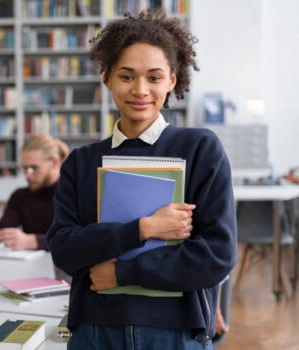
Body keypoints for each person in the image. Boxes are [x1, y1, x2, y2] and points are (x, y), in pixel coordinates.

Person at [47, 11, 237, 350]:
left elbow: (216, 255)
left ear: (172, 81)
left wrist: (122, 273)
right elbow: (64, 250)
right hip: (95, 330)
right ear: (106, 77)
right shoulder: (81, 162)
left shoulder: (199, 149)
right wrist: (144, 228)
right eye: (126, 76)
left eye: (154, 77)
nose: (140, 90)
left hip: (175, 331)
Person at [0, 133, 70, 316]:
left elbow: (75, 238)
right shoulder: (20, 196)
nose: (27, 175)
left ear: (55, 162)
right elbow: (1, 232)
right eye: (24, 169)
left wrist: (33, 241)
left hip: (62, 272)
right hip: (27, 271)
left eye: (34, 168)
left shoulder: (71, 193)